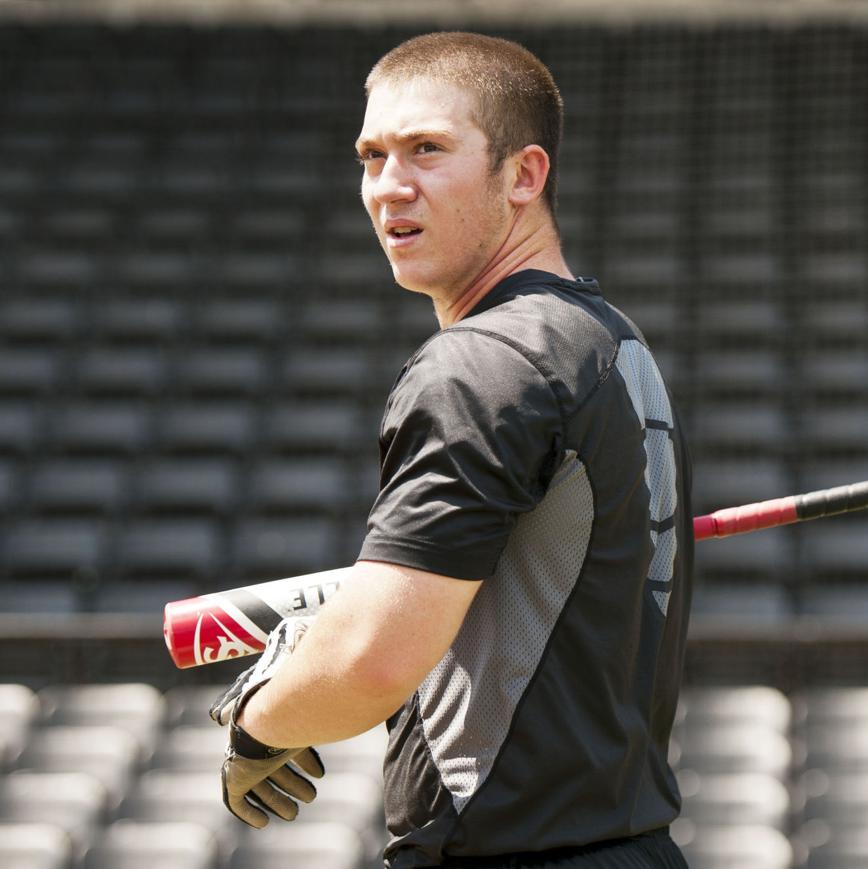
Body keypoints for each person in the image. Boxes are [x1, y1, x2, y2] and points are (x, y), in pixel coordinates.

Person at [210, 31, 695, 869]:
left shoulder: (480, 363)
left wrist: (258, 720)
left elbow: (373, 660)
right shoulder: (609, 341)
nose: (389, 186)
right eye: (371, 156)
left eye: (427, 149)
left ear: (524, 175)